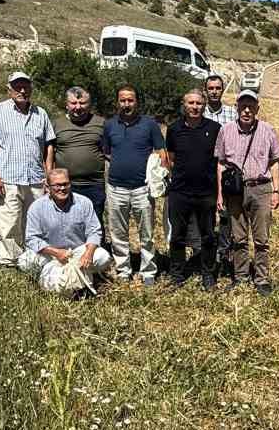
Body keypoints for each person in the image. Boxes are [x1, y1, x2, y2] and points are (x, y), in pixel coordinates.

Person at [215, 89, 279, 294]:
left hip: (261, 188)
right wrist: (220, 194)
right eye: (243, 106)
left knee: (262, 239)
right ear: (236, 108)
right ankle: (241, 276)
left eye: (251, 106)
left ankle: (262, 279)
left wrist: (276, 191)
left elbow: (275, 162)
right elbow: (220, 164)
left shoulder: (267, 130)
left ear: (257, 108)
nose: (247, 110)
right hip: (234, 191)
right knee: (238, 238)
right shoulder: (225, 130)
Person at [0, 70, 55, 268]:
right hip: (8, 179)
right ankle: (10, 263)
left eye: (25, 86)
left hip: (36, 179)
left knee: (36, 223)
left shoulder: (41, 113)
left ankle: (34, 261)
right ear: (9, 89)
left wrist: (49, 175)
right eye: (17, 86)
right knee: (9, 224)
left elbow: (49, 145)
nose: (21, 90)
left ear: (31, 88)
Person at [100, 85, 166, 285]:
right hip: (116, 188)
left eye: (130, 100)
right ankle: (123, 270)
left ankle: (148, 271)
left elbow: (161, 151)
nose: (126, 104)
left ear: (137, 102)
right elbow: (107, 152)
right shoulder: (109, 125)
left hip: (142, 189)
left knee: (146, 233)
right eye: (123, 100)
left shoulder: (150, 124)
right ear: (117, 102)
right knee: (118, 232)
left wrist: (158, 178)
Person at [16, 168, 112, 293]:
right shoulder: (37, 207)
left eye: (65, 184)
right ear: (47, 186)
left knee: (102, 257)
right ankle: (55, 275)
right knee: (24, 262)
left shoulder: (84, 203)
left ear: (70, 184)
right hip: (50, 253)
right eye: (57, 185)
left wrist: (88, 253)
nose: (62, 188)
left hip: (78, 252)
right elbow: (31, 238)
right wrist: (56, 252)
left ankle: (79, 275)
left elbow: (94, 231)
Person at [164, 89, 222, 289]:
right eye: (191, 103)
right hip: (180, 191)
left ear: (204, 105)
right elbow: (170, 159)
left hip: (206, 192)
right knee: (177, 235)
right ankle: (177, 274)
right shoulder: (174, 129)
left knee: (208, 235)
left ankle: (208, 274)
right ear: (184, 104)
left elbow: (219, 161)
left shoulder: (215, 128)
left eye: (198, 103)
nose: (195, 107)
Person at [49, 86, 107, 230]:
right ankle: (70, 252)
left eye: (82, 103)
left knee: (95, 223)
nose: (78, 107)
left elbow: (108, 151)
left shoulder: (101, 123)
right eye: (73, 103)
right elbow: (49, 152)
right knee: (65, 223)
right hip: (65, 185)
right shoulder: (56, 124)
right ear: (66, 104)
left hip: (94, 185)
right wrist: (49, 176)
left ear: (90, 104)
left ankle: (95, 251)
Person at [201, 73, 237, 283]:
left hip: (225, 173)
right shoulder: (198, 112)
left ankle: (224, 256)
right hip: (204, 174)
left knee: (226, 218)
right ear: (205, 90)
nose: (214, 91)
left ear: (222, 90)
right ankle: (205, 256)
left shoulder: (232, 114)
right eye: (210, 88)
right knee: (206, 218)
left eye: (217, 88)